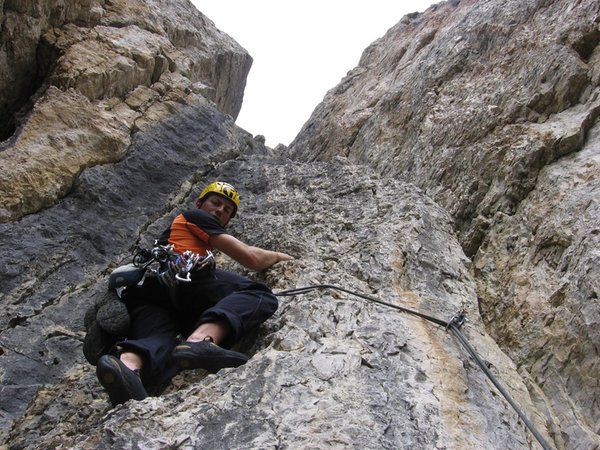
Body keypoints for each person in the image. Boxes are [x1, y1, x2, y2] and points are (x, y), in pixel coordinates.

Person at [95, 181, 293, 406]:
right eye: (215, 203)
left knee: (162, 343)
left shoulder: (178, 232)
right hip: (183, 277)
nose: (220, 210)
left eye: (227, 210)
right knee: (258, 294)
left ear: (229, 220)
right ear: (200, 204)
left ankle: (126, 368)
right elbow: (251, 258)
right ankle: (199, 341)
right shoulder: (195, 217)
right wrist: (278, 255)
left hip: (146, 296)